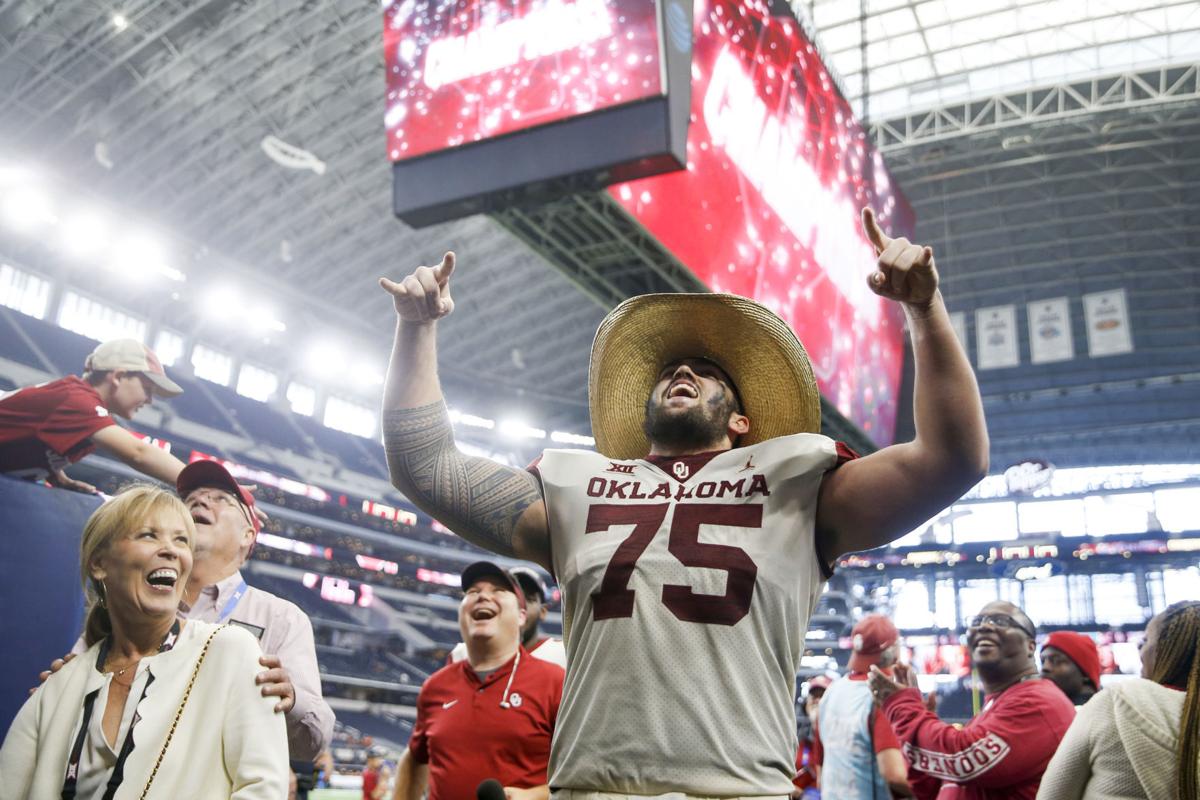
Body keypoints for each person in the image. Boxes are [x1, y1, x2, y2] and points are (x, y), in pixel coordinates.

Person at [379, 208, 987, 797]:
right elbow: (427, 468)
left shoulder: (800, 479)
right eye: (669, 369)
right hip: (593, 789)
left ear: (744, 419)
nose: (682, 373)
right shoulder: (578, 482)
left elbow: (952, 460)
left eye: (705, 370)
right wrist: (414, 329)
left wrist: (923, 308)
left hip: (738, 790)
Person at [0, 484, 288, 797]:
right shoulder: (57, 687)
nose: (172, 550)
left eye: (181, 540)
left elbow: (263, 789)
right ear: (99, 563)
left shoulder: (231, 652)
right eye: (149, 535)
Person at [50, 458, 335, 760]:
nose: (199, 500)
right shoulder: (135, 599)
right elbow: (71, 707)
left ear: (248, 535)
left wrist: (291, 700)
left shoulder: (281, 618)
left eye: (221, 499)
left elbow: (312, 745)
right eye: (190, 499)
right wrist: (59, 697)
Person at [868, 601, 1075, 800]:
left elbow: (962, 760)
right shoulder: (996, 706)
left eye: (1001, 621)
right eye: (977, 622)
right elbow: (933, 788)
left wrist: (904, 709)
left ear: (1030, 646)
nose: (984, 626)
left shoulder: (1039, 702)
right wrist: (919, 723)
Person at [394, 561, 565, 800]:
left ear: (521, 616)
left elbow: (586, 774)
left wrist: (538, 795)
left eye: (498, 591)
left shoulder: (555, 682)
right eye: (473, 592)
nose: (483, 596)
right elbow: (415, 757)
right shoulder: (435, 687)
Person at [1037, 600, 1200, 800]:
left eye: (1144, 642)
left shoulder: (1116, 701)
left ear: (1168, 649)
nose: (1139, 652)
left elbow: (1052, 795)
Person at [0, 338, 189, 492]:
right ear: (118, 377)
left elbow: (29, 436)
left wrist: (58, 478)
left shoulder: (77, 401)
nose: (149, 400)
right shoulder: (78, 402)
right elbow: (138, 453)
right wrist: (203, 482)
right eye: (147, 389)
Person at [814, 615, 912, 798]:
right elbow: (894, 775)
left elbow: (821, 773)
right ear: (894, 652)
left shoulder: (831, 693)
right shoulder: (883, 696)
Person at [448, 565, 566, 669]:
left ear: (543, 612)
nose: (521, 606)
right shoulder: (463, 654)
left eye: (529, 600)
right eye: (514, 599)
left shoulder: (563, 654)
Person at [793, 674, 831, 799]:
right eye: (814, 696)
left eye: (822, 695)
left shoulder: (840, 737)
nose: (817, 700)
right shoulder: (795, 735)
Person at [1040, 631, 1101, 706]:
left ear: (1085, 673)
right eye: (1042, 662)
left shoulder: (1104, 713)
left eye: (1056, 661)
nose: (1045, 668)